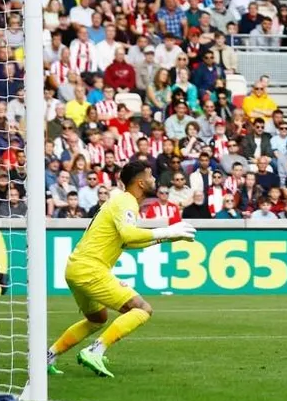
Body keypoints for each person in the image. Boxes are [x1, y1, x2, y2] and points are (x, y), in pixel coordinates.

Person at [46, 161, 196, 377]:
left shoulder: (121, 202)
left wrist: (167, 238)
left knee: (97, 319)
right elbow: (128, 234)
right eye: (151, 175)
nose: (155, 179)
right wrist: (166, 231)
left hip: (77, 267)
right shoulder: (127, 201)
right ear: (141, 182)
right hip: (91, 269)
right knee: (142, 309)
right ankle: (95, 351)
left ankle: (49, 356)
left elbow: (127, 242)